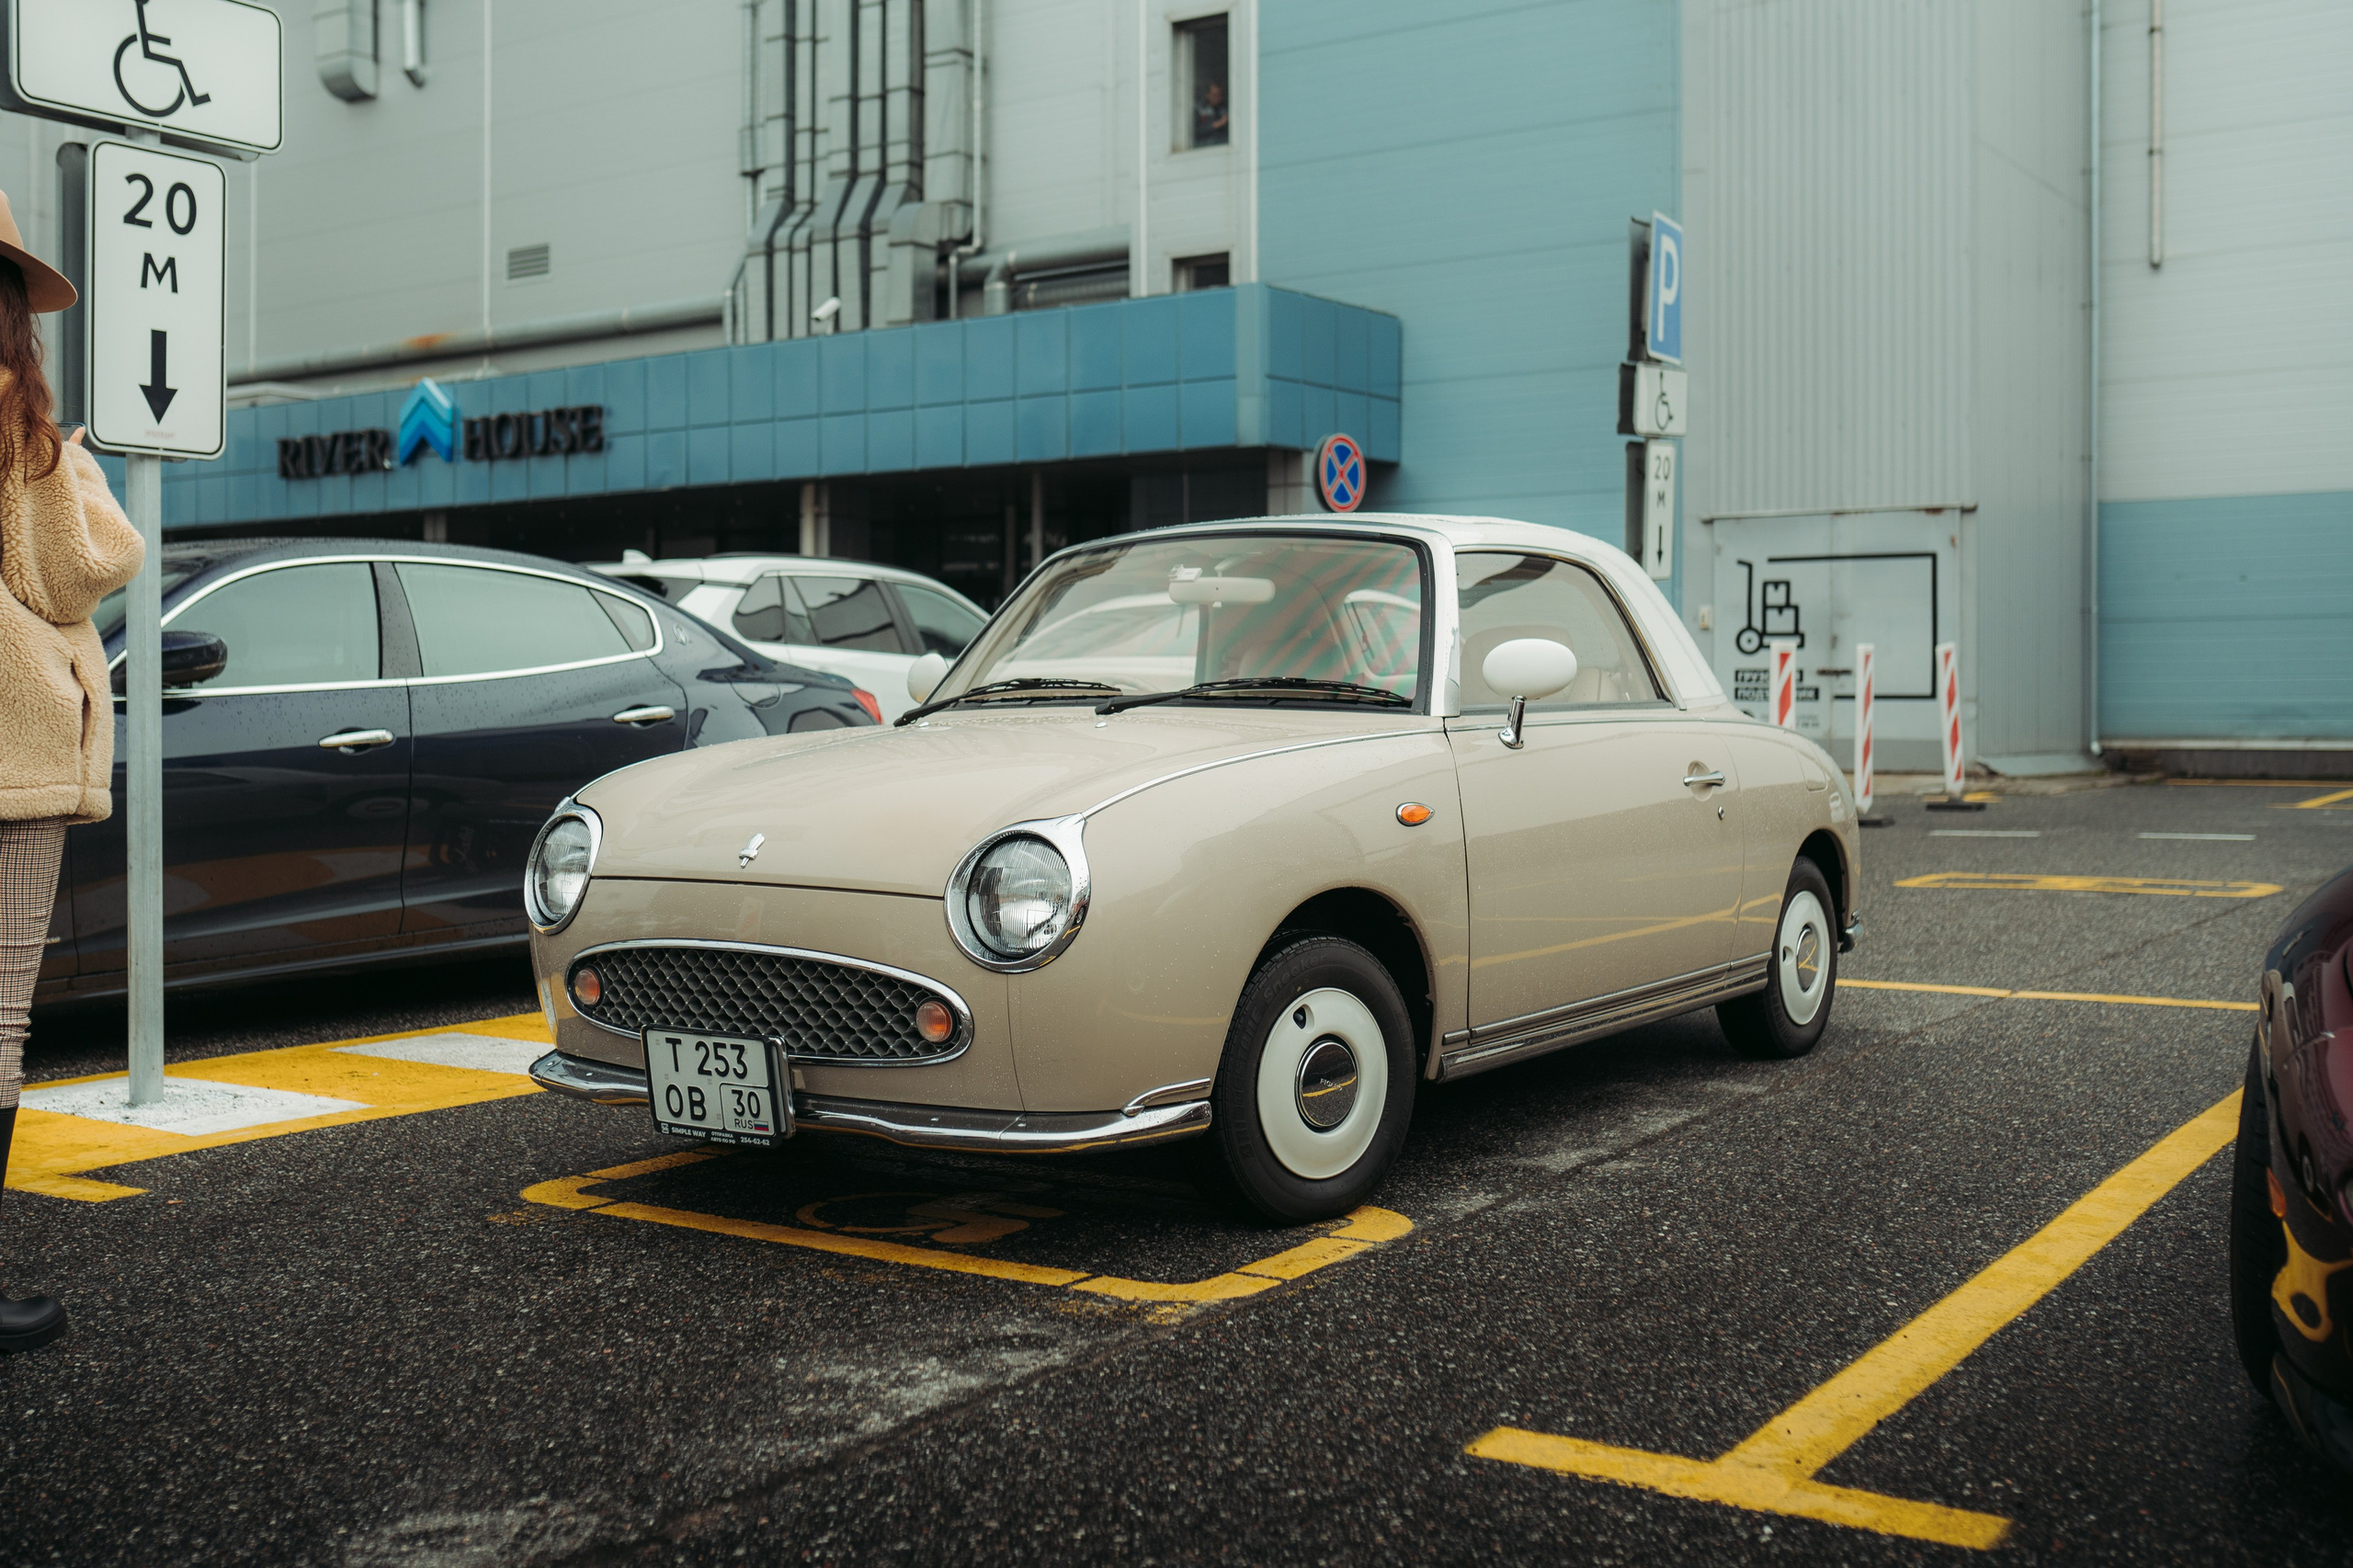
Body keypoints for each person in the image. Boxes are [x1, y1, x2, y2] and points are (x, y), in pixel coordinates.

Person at [0, 189, 143, 1354]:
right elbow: (84, 567)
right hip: (12, 754)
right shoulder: (17, 424)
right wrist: (71, 465)